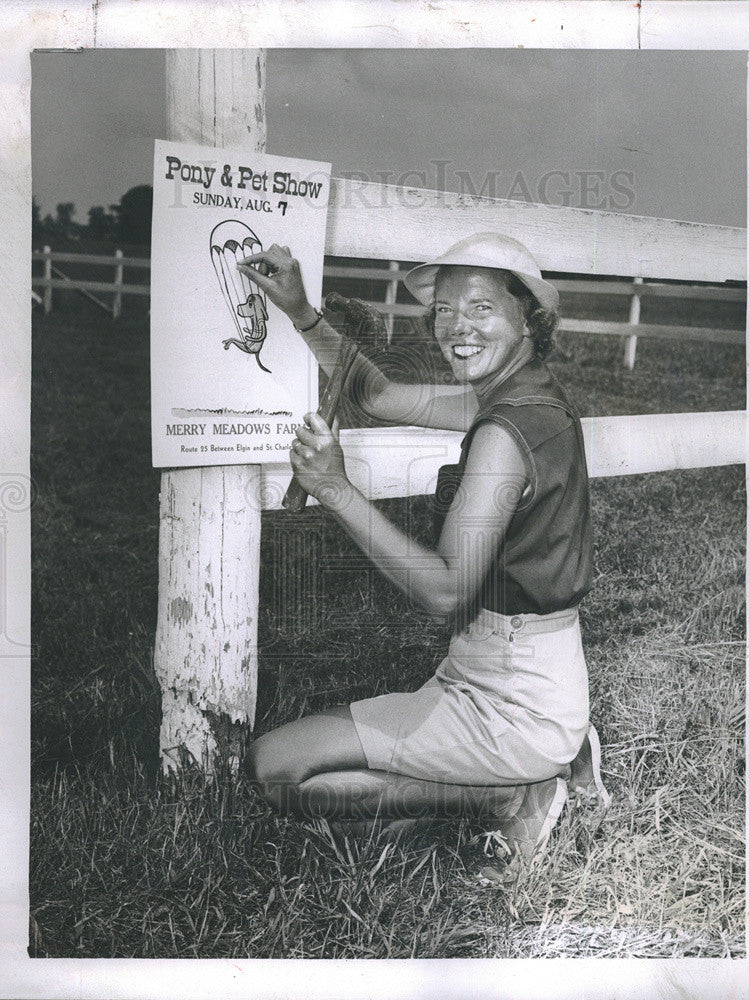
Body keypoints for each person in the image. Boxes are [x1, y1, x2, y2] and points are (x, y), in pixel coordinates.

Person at [238, 233, 609, 882]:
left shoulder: (503, 431)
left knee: (277, 770)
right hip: (501, 669)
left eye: (481, 308)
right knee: (301, 762)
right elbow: (376, 396)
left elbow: (443, 590)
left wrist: (335, 489)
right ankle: (537, 764)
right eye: (443, 309)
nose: (456, 327)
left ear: (530, 319)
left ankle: (516, 789)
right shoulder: (520, 393)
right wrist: (301, 311)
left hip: (517, 694)